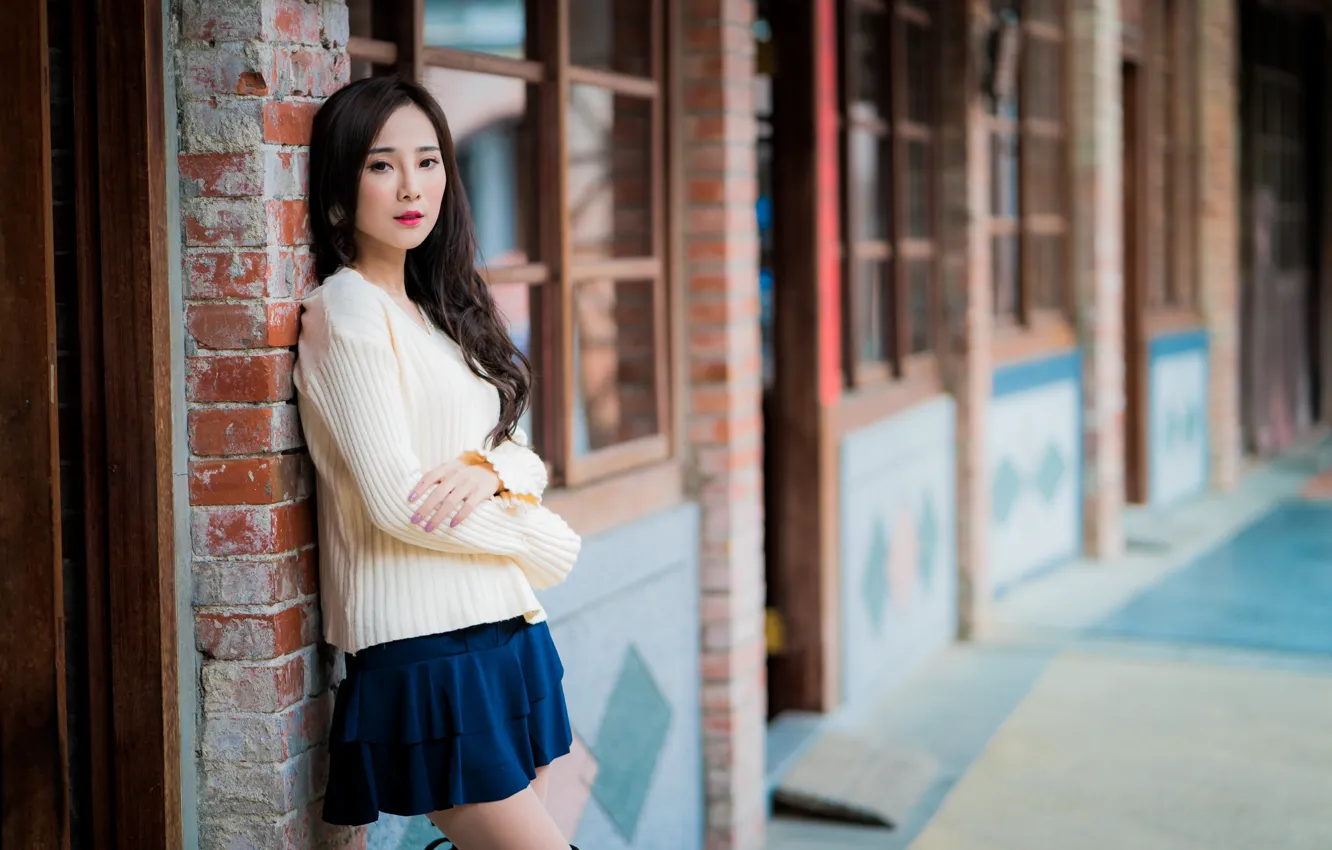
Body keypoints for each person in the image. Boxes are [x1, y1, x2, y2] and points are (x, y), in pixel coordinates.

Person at [294, 75, 582, 850]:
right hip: (428, 651)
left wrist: (490, 475)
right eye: (382, 165)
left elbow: (518, 455)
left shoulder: (441, 311)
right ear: (339, 185)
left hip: (511, 631)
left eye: (428, 161)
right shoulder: (346, 309)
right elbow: (397, 502)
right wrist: (540, 540)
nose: (411, 185)